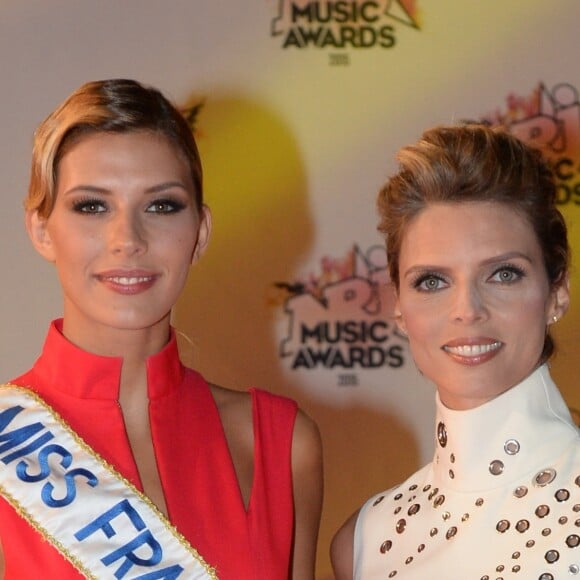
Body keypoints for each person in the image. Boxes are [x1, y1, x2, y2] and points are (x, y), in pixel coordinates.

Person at [0, 79, 323, 580]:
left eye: (162, 205)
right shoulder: (9, 444)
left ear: (200, 233)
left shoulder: (278, 443)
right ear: (41, 229)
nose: (127, 239)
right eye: (91, 205)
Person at [331, 124, 579, 579]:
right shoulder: (367, 541)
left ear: (556, 292)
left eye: (503, 274)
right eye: (432, 281)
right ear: (400, 308)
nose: (467, 310)